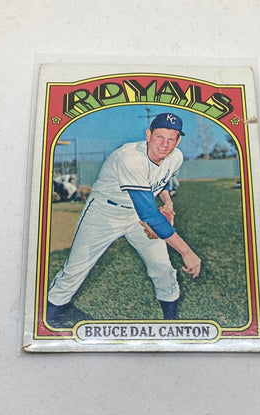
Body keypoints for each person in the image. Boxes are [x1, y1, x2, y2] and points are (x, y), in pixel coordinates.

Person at [47, 112, 201, 326]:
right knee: (75, 269)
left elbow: (162, 180)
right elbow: (149, 214)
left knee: (163, 269)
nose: (164, 144)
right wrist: (186, 252)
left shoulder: (176, 157)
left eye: (171, 139)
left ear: (178, 141)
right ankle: (50, 317)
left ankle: (171, 323)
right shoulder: (129, 157)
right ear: (148, 135)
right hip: (104, 212)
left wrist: (168, 203)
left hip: (138, 214)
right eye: (159, 137)